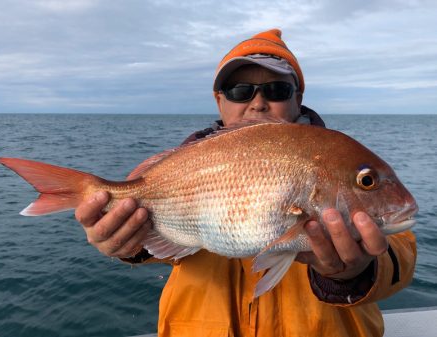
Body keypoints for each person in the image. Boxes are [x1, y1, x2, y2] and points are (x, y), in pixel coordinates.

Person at [75, 29, 417, 336]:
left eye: (277, 89)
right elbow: (166, 242)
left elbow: (400, 254)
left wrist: (356, 271)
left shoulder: (337, 156)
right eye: (240, 90)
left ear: (298, 97)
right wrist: (129, 244)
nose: (258, 102)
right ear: (219, 100)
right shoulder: (184, 165)